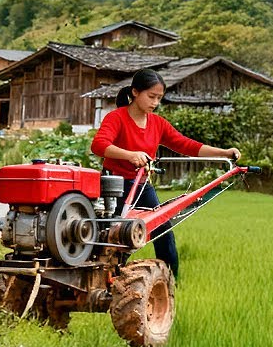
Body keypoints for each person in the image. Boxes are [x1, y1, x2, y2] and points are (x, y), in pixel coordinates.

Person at [90, 68, 240, 277]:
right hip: (114, 187)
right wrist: (130, 155)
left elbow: (186, 145)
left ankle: (170, 282)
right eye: (151, 97)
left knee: (163, 229)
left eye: (159, 98)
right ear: (135, 92)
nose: (155, 103)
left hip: (141, 185)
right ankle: (110, 279)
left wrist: (223, 152)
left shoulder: (157, 123)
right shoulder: (117, 118)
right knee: (116, 236)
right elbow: (98, 145)